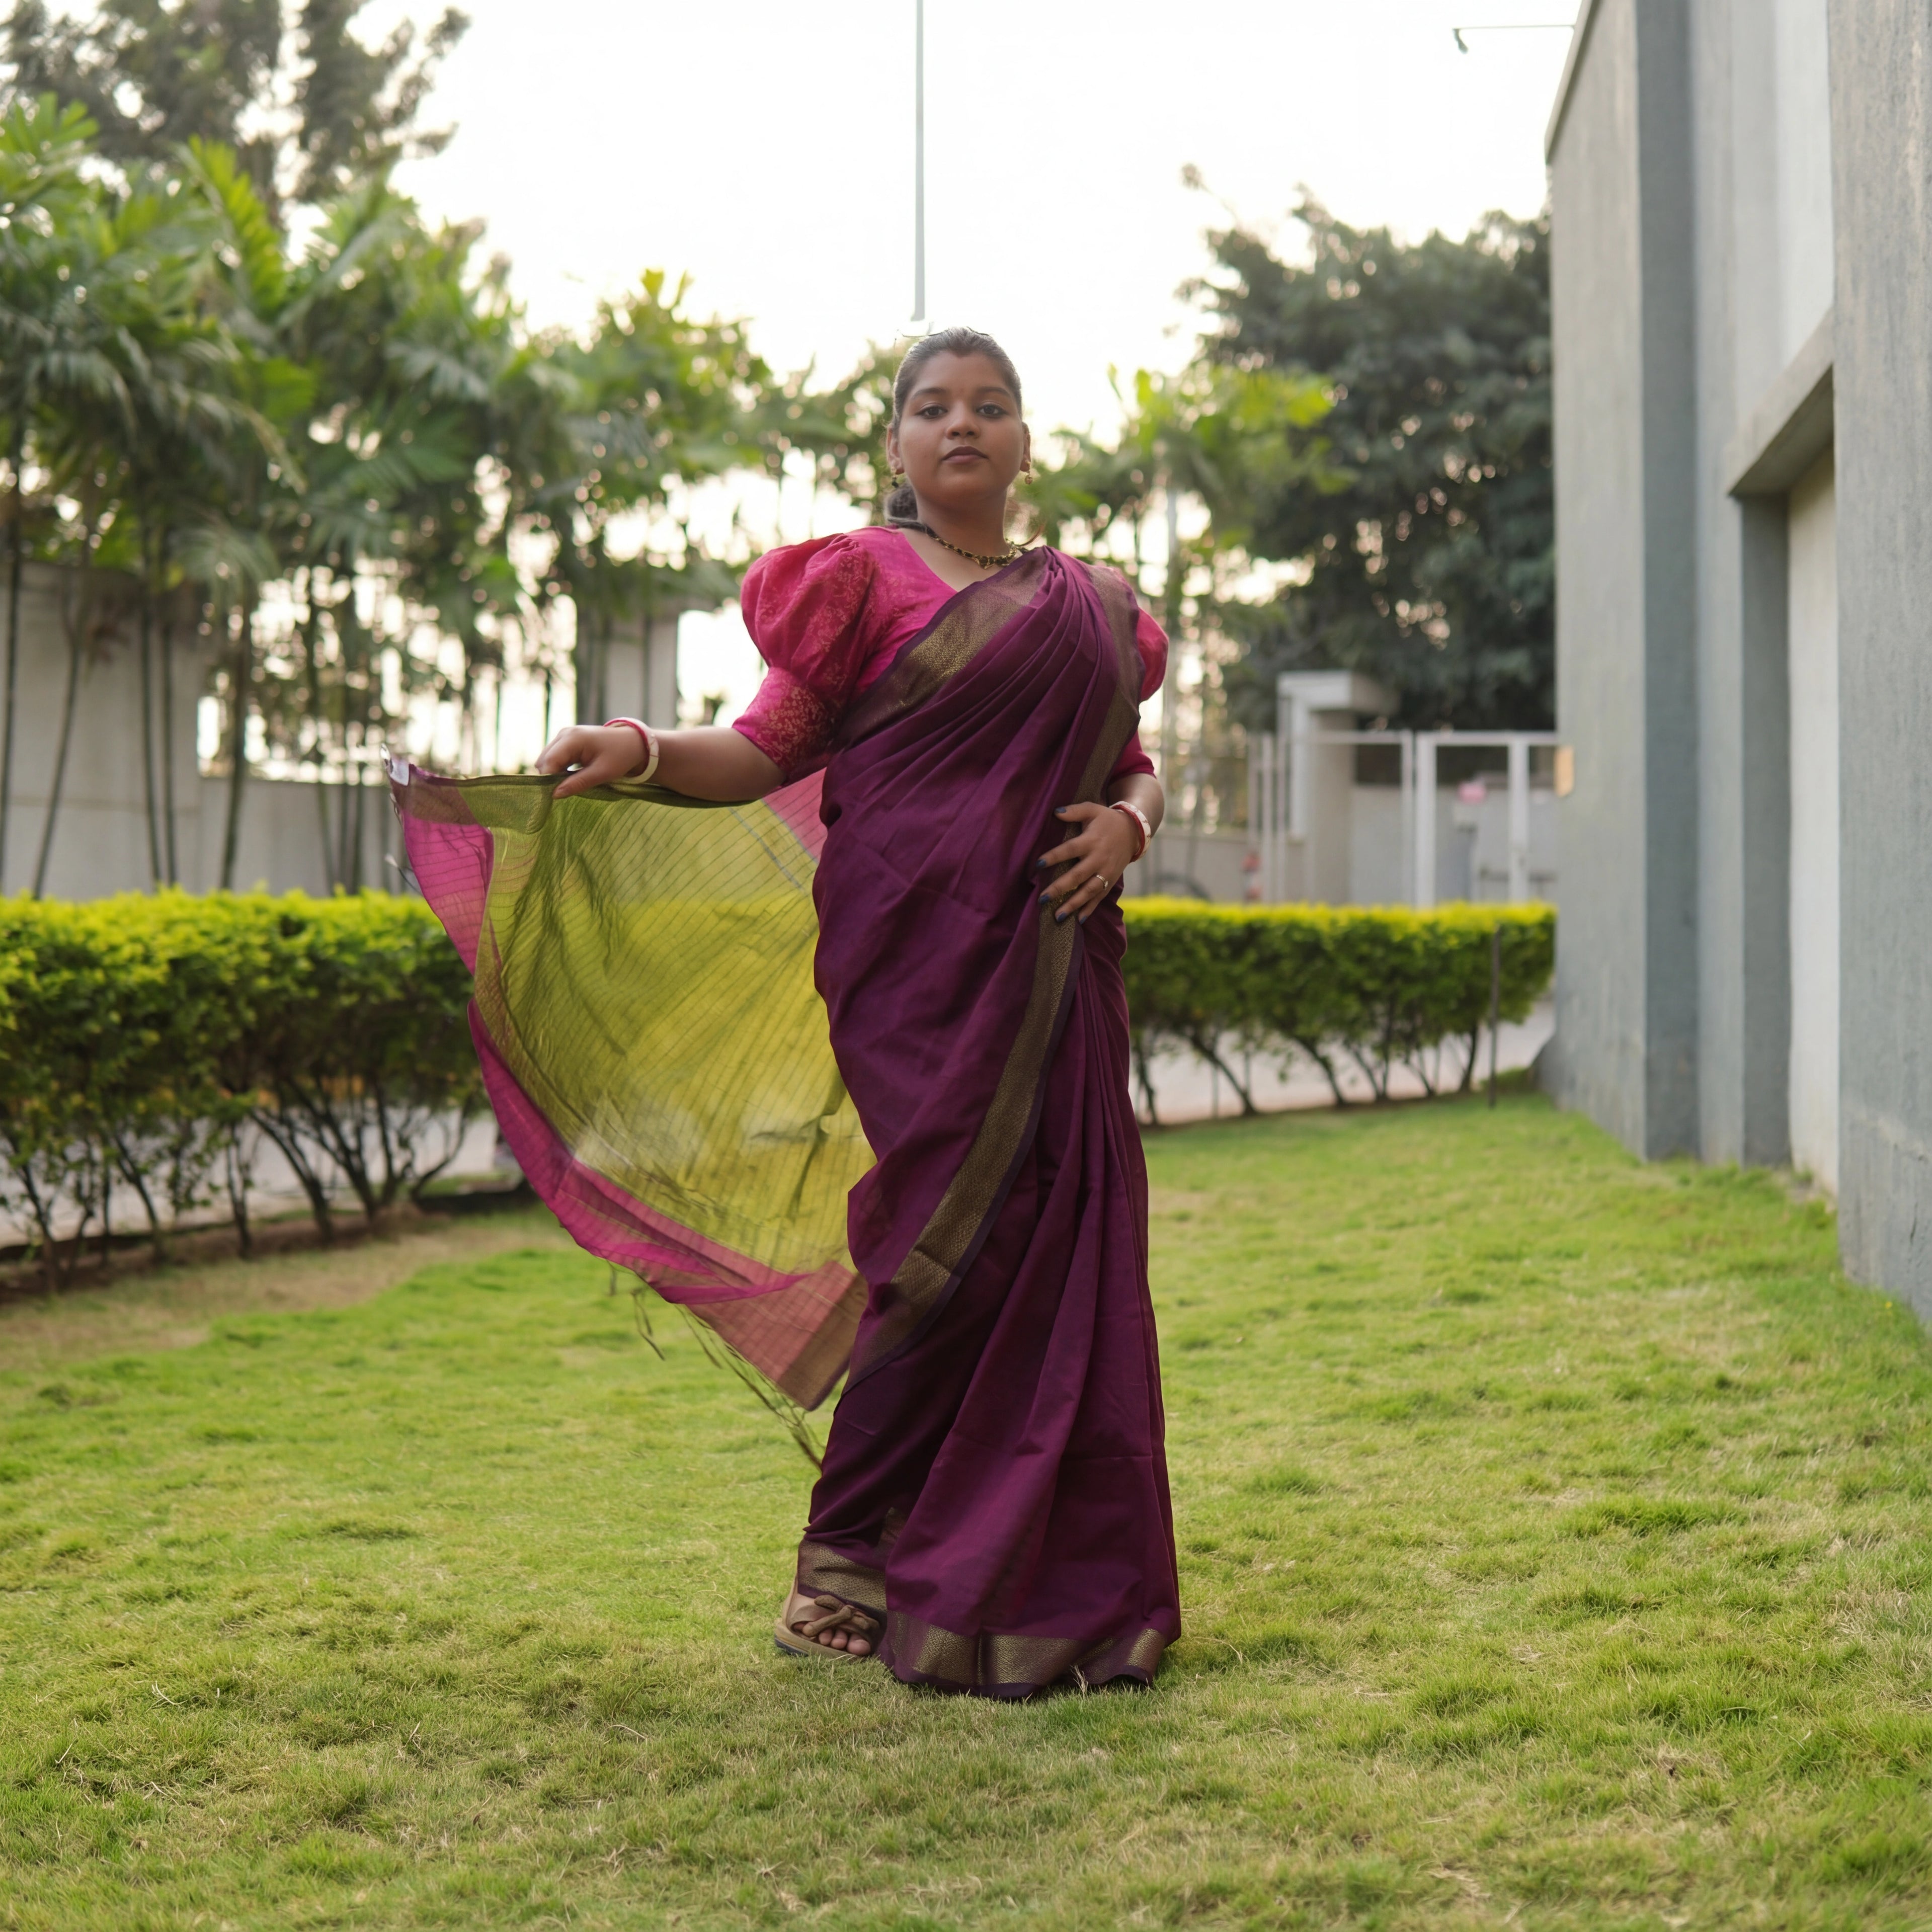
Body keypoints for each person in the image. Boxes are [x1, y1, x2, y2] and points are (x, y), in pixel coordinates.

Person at [399, 327, 1179, 1698]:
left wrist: (1130, 821)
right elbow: (763, 749)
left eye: (990, 407)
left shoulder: (1098, 610)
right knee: (942, 1249)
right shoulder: (858, 585)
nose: (962, 426)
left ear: (1025, 443)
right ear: (894, 446)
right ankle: (843, 1568)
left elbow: (1133, 761)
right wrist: (636, 749)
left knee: (1053, 1251)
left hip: (1061, 962)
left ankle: (1042, 1571)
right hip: (916, 969)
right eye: (932, 407)